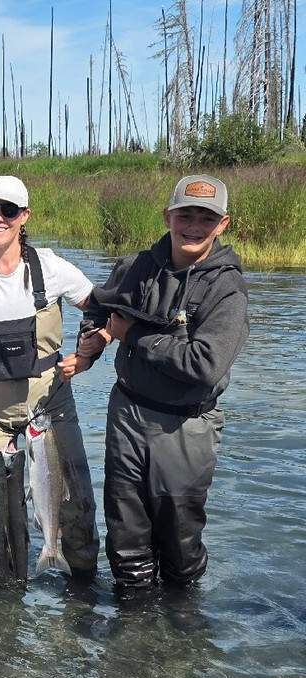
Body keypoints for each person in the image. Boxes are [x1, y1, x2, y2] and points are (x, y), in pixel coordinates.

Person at [76, 174, 248, 591]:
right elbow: (98, 308)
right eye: (184, 214)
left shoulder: (227, 289)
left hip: (186, 426)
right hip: (126, 415)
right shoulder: (134, 267)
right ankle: (130, 626)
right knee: (125, 534)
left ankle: (182, 629)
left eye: (205, 218)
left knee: (179, 544)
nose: (193, 226)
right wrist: (93, 343)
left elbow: (205, 365)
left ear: (222, 224)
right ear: (167, 216)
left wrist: (133, 335)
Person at [0, 175, 98, 577]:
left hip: (50, 408)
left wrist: (85, 357)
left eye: (8, 210)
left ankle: (81, 602)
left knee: (76, 508)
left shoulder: (51, 267)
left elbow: (102, 312)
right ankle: (4, 602)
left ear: (24, 216)